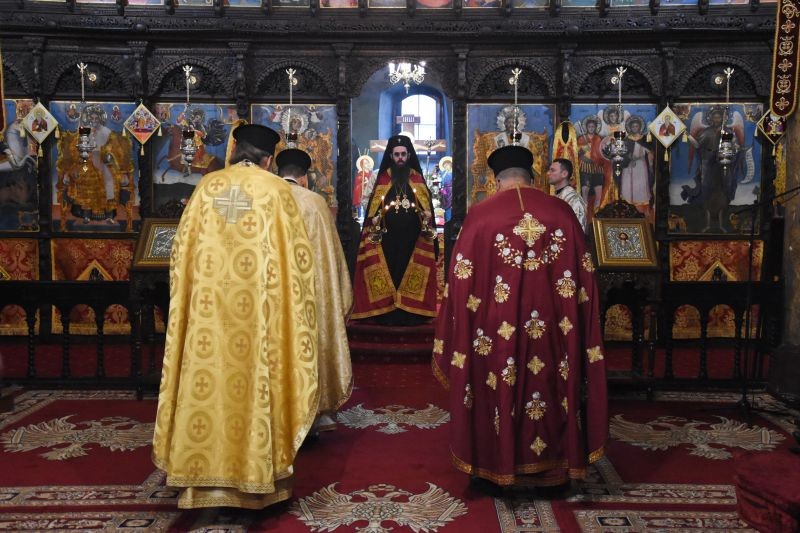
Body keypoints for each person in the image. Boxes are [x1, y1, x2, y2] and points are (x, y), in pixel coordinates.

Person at [152, 124, 320, 510]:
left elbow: (180, 255)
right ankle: (257, 483)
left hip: (207, 321)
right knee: (258, 386)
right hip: (258, 322)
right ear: (267, 160)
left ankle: (199, 484)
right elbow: (298, 263)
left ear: (235, 153)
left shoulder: (206, 188)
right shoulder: (275, 191)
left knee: (205, 387)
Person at [433, 144, 607, 492]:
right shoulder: (561, 212)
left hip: (494, 331)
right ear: (532, 177)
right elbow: (585, 276)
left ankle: (492, 469)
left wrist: (460, 326)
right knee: (553, 387)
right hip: (556, 328)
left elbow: (460, 279)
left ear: (497, 180)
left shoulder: (481, 215)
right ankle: (556, 470)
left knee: (495, 388)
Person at [276, 148, 353, 432]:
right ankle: (314, 414)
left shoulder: (266, 198)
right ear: (304, 177)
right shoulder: (315, 203)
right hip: (310, 295)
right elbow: (331, 256)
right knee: (310, 349)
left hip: (273, 293)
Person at [351, 134, 437, 326]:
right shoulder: (380, 178)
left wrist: (427, 215)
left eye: (403, 154)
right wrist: (374, 217)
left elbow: (426, 206)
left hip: (412, 240)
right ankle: (385, 311)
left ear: (408, 155)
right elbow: (369, 204)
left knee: (408, 273)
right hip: (386, 241)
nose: (400, 158)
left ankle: (412, 312)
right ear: (391, 155)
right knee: (389, 274)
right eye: (396, 154)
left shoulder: (416, 177)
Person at [548, 158, 587, 233]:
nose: (548, 173)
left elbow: (577, 231)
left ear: (564, 174)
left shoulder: (575, 200)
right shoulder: (557, 197)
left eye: (552, 170)